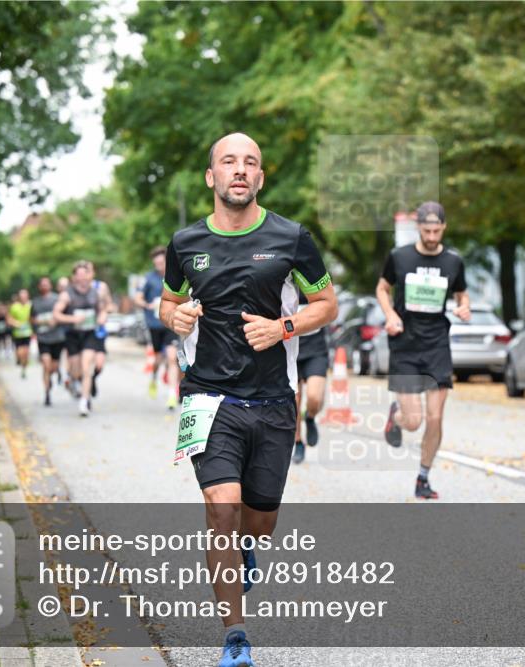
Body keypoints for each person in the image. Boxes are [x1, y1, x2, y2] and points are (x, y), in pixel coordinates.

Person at [160, 132, 336, 667]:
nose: (240, 169)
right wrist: (175, 317)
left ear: (260, 178)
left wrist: (283, 327)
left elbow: (326, 303)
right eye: (229, 161)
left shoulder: (291, 237)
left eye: (250, 162)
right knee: (222, 509)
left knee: (258, 522)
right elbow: (167, 303)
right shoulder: (185, 243)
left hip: (273, 401)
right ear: (211, 176)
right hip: (207, 398)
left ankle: (247, 546)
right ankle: (235, 637)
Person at [375, 201, 470, 500]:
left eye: (436, 231)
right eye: (426, 230)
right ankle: (397, 416)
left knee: (435, 417)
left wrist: (464, 308)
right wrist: (390, 314)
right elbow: (382, 288)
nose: (431, 236)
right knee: (413, 421)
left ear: (444, 227)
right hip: (405, 345)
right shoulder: (400, 257)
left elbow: (462, 295)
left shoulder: (453, 261)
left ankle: (423, 477)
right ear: (418, 227)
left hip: (437, 345)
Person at [135, 246, 182, 409]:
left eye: (161, 263)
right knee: (157, 359)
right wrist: (146, 304)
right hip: (154, 324)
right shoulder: (148, 278)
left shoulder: (175, 276)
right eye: (156, 264)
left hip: (170, 323)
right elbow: (138, 298)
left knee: (172, 358)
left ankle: (172, 394)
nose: (159, 266)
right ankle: (154, 376)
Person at [54, 262, 103, 417]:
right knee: (76, 371)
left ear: (89, 275)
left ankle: (84, 401)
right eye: (79, 275)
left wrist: (101, 318)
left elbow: (101, 310)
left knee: (87, 367)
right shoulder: (67, 295)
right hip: (73, 335)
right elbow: (56, 314)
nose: (82, 277)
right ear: (74, 277)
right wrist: (72, 319)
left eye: (84, 274)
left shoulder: (95, 293)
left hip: (89, 334)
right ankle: (75, 381)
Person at [292, 289, 329, 464]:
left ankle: (311, 416)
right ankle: (298, 442)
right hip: (291, 348)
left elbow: (329, 306)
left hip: (316, 349)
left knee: (315, 397)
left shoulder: (316, 278)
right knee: (294, 401)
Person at [31, 277, 66, 406]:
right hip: (43, 338)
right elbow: (32, 319)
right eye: (42, 284)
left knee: (53, 367)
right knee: (46, 365)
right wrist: (40, 323)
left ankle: (53, 375)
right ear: (39, 287)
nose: (44, 286)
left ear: (50, 285)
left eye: (47, 284)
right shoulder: (35, 302)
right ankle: (47, 394)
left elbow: (64, 314)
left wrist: (56, 320)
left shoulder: (57, 299)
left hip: (57, 337)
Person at [85, 261, 115, 401]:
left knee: (99, 364)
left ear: (93, 272)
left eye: (89, 271)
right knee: (85, 364)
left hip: (98, 330)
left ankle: (92, 378)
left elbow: (110, 305)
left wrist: (105, 312)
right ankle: (85, 394)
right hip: (82, 331)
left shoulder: (101, 287)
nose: (86, 274)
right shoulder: (76, 289)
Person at [7, 289, 33, 378]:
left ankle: (24, 368)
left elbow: (34, 318)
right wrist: (15, 323)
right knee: (20, 352)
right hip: (17, 334)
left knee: (26, 352)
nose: (23, 297)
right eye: (21, 296)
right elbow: (9, 319)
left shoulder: (31, 305)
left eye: (25, 295)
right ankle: (20, 361)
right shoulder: (14, 306)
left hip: (28, 333)